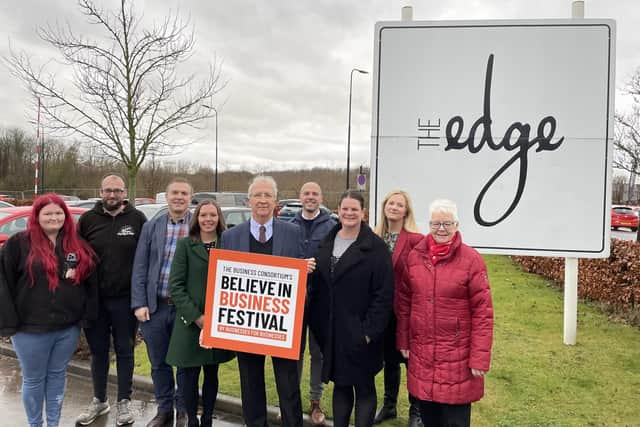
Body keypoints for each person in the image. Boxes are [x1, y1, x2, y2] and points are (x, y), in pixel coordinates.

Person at [220, 175, 314, 427]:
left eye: (267, 195)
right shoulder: (231, 237)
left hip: (283, 323)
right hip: (248, 324)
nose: (262, 200)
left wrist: (305, 273)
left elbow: (300, 273)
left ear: (276, 201)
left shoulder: (293, 233)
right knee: (250, 384)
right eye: (257, 195)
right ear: (249, 200)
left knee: (288, 384)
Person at [0, 193, 97, 427]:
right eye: (48, 213)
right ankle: (36, 424)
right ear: (37, 216)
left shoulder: (77, 245)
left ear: (65, 215)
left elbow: (90, 284)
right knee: (34, 380)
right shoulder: (18, 244)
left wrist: (84, 316)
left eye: (58, 212)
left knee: (57, 376)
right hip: (29, 330)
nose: (54, 217)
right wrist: (8, 323)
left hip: (66, 329)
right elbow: (4, 284)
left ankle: (53, 423)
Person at [395, 199, 494, 427]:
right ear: (428, 224)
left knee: (454, 421)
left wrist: (479, 358)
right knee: (429, 418)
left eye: (447, 223)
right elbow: (405, 302)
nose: (441, 229)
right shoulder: (415, 257)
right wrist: (404, 341)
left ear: (457, 225)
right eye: (436, 223)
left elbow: (483, 313)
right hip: (422, 353)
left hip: (456, 356)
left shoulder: (472, 261)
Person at [308, 190, 394, 427]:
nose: (349, 213)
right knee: (341, 385)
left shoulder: (375, 248)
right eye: (345, 209)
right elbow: (317, 287)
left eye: (354, 209)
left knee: (364, 387)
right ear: (337, 210)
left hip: (361, 333)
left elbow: (383, 295)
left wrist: (368, 332)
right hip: (333, 333)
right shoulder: (328, 241)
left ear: (363, 213)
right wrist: (319, 327)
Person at [77, 174, 147, 426]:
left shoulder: (137, 219)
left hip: (125, 300)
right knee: (98, 352)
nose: (112, 195)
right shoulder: (87, 220)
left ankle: (124, 402)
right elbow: (75, 255)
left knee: (125, 350)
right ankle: (99, 400)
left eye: (117, 191)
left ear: (125, 192)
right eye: (108, 190)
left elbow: (146, 259)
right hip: (94, 299)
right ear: (100, 191)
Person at [165, 200, 235, 427]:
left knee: (212, 373)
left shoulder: (228, 243)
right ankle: (192, 419)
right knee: (189, 376)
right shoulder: (186, 245)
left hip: (219, 320)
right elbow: (176, 285)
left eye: (212, 215)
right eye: (203, 215)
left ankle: (207, 418)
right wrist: (197, 317)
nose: (208, 219)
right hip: (190, 323)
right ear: (197, 218)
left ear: (219, 218)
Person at [131, 177, 194, 427]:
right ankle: (164, 409)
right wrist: (139, 303)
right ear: (166, 197)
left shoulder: (199, 227)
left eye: (184, 193)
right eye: (174, 193)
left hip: (185, 309)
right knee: (159, 364)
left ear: (191, 197)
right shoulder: (153, 226)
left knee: (185, 364)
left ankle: (183, 410)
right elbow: (140, 266)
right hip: (155, 308)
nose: (179, 197)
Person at [373, 190, 423, 427]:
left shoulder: (415, 240)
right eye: (391, 203)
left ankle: (417, 410)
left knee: (411, 361)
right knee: (390, 361)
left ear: (406, 211)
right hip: (381, 312)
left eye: (399, 204)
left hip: (406, 311)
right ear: (384, 207)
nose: (394, 207)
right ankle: (389, 405)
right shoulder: (374, 237)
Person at [291, 182, 336, 426]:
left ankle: (315, 401)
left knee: (317, 352)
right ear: (300, 197)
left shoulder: (332, 226)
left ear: (321, 197)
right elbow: (283, 258)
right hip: (294, 298)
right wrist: (299, 266)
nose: (310, 197)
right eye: (306, 193)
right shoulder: (289, 226)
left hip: (321, 299)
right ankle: (292, 400)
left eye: (314, 194)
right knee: (294, 351)